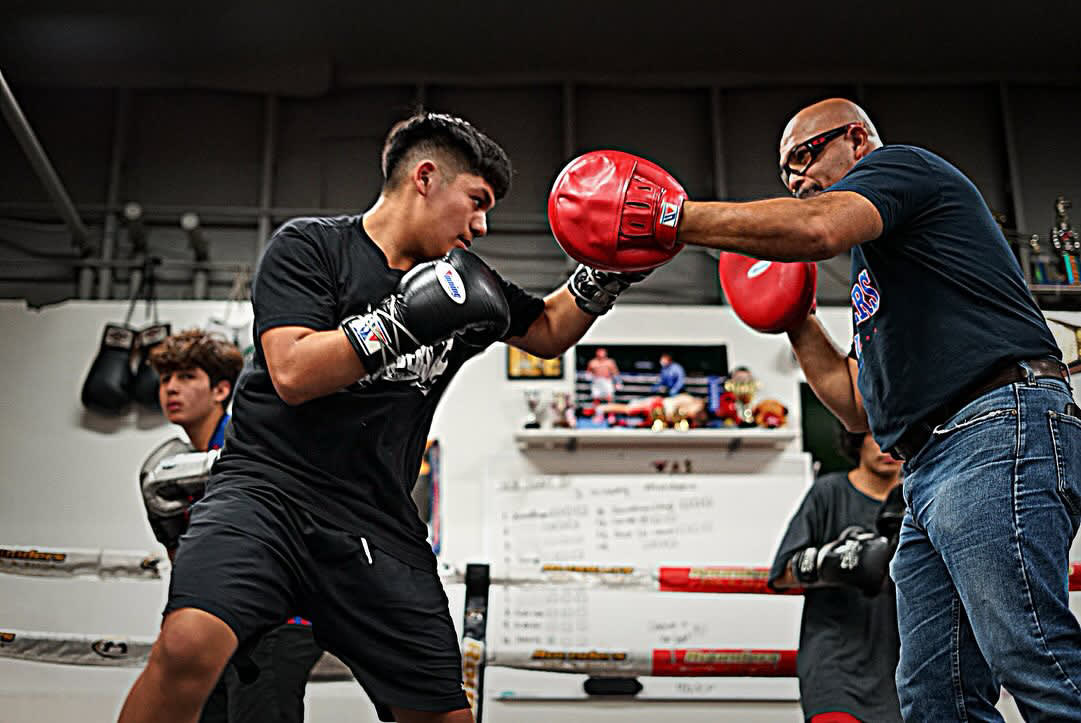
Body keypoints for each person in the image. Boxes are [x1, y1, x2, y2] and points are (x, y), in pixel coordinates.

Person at [548, 98, 1081, 720]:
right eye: (785, 174)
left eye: (803, 157)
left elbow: (817, 229)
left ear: (856, 139)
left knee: (1032, 655)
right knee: (936, 694)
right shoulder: (882, 272)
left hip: (995, 426)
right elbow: (858, 406)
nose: (797, 180)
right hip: (931, 466)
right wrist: (793, 318)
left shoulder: (902, 169)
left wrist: (672, 217)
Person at [118, 110, 647, 723]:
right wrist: (409, 317)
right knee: (188, 646)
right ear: (425, 177)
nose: (481, 225)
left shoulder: (467, 282)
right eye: (476, 201)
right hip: (266, 493)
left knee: (443, 717)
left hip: (378, 523)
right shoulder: (311, 247)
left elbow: (549, 330)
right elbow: (292, 372)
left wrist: (609, 272)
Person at [138, 329, 323, 723]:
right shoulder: (177, 468)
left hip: (274, 626)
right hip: (220, 622)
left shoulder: (252, 449)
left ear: (221, 390)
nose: (172, 389)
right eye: (166, 379)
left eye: (187, 377)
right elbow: (189, 561)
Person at [769, 428, 904, 723]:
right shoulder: (828, 492)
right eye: (876, 433)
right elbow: (781, 574)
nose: (887, 445)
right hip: (835, 660)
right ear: (857, 438)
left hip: (903, 665)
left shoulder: (919, 499)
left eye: (896, 433)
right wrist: (828, 562)